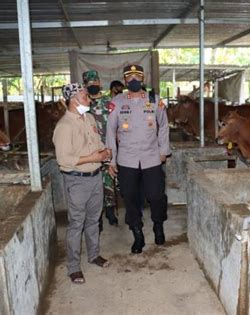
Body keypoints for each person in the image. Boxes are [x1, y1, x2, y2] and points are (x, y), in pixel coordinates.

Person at [106, 64, 170, 254]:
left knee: (156, 195)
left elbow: (164, 125)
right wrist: (111, 160)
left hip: (151, 157)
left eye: (137, 77)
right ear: (125, 80)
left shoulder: (155, 100)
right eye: (129, 77)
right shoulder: (116, 103)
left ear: (143, 78)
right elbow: (110, 132)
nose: (133, 80)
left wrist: (163, 151)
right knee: (130, 198)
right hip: (127, 159)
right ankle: (137, 233)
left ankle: (158, 224)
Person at [53, 83, 111, 284]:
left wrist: (105, 153)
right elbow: (63, 159)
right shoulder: (64, 126)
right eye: (85, 96)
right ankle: (74, 267)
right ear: (74, 99)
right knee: (76, 223)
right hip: (77, 180)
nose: (89, 99)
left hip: (96, 177)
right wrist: (92, 158)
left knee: (94, 220)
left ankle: (94, 255)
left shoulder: (89, 118)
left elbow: (97, 142)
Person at [83, 70, 119, 228]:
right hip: (90, 150)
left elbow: (116, 122)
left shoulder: (108, 101)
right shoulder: (83, 103)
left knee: (109, 182)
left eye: (95, 82)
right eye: (90, 84)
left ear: (99, 83)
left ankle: (111, 212)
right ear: (85, 85)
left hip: (108, 146)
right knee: (94, 185)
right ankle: (96, 219)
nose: (93, 86)